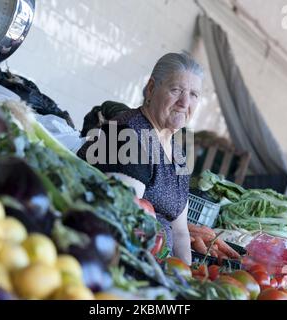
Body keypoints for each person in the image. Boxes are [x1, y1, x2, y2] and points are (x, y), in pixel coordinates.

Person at [78, 52, 203, 265]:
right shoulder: (127, 134)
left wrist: (187, 276)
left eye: (193, 94)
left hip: (155, 264)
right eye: (176, 90)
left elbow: (180, 231)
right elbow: (126, 227)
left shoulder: (179, 155)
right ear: (152, 88)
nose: (184, 102)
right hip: (108, 259)